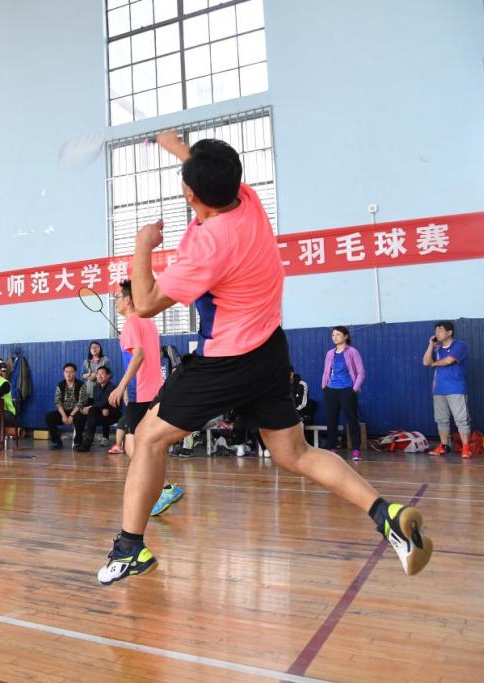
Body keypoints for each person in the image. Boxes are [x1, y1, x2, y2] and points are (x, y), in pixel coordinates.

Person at [97, 131, 432, 586]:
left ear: (190, 194)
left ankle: (129, 548)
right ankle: (386, 514)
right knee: (296, 452)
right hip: (270, 351)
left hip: (227, 360)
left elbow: (146, 301)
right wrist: (176, 147)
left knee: (148, 437)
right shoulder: (247, 200)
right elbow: (209, 172)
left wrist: (142, 245)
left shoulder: (209, 245)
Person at [108, 279, 184, 515]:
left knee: (133, 446)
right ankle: (161, 488)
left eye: (117, 297)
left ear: (128, 299)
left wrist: (121, 387)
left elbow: (139, 356)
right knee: (145, 443)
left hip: (140, 393)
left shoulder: (131, 323)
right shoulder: (147, 322)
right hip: (154, 391)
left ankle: (165, 488)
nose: (116, 301)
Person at [423, 320, 472, 457]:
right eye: (436, 331)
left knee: (461, 419)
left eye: (440, 330)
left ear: (449, 332)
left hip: (456, 388)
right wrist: (431, 345)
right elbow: (426, 362)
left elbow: (449, 360)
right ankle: (444, 446)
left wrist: (434, 364)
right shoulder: (437, 347)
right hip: (438, 389)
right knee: (441, 419)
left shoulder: (460, 345)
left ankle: (466, 448)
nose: (437, 333)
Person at [322, 326, 365, 461]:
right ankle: (332, 448)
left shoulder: (352, 352)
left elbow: (361, 372)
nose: (335, 337)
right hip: (331, 390)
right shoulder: (330, 353)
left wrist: (354, 388)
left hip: (347, 390)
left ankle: (356, 449)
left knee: (352, 419)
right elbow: (326, 371)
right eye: (333, 335)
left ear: (346, 336)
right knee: (331, 420)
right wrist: (324, 386)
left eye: (338, 334)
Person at [44, 363, 90, 450]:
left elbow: (81, 402)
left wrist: (71, 415)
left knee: (79, 418)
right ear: (63, 373)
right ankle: (57, 441)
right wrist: (64, 416)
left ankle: (78, 442)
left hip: (77, 411)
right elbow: (58, 402)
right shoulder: (60, 385)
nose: (68, 374)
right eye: (66, 372)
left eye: (71, 372)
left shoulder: (81, 384)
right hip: (64, 411)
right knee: (49, 417)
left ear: (75, 373)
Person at [78, 366, 120, 451]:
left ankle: (87, 442)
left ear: (108, 376)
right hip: (101, 413)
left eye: (102, 373)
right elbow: (97, 403)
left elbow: (106, 401)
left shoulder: (113, 388)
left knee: (92, 410)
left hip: (113, 413)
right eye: (98, 374)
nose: (99, 376)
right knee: (85, 413)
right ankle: (82, 441)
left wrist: (93, 407)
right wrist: (100, 409)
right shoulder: (96, 388)